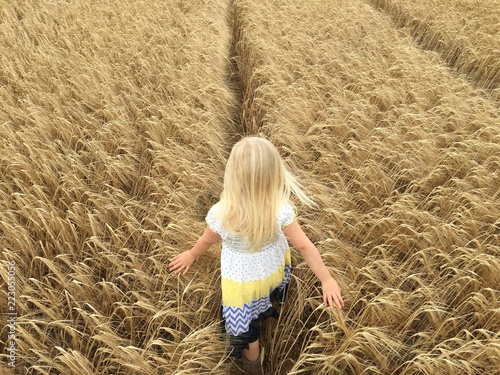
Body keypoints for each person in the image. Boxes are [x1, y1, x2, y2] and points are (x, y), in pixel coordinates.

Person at [169, 136, 343, 375]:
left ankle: (253, 368)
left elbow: (206, 241)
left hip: (241, 285)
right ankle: (268, 311)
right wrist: (327, 279)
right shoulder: (279, 209)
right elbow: (304, 246)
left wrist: (191, 254)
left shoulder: (222, 213)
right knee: (266, 296)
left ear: (232, 175)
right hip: (271, 271)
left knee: (248, 329)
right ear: (274, 174)